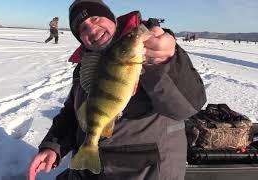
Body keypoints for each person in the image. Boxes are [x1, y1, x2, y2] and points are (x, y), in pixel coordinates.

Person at [29, 0, 206, 179]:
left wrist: (165, 62)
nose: (91, 29)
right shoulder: (86, 66)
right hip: (89, 170)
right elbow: (74, 114)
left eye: (96, 18)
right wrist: (53, 147)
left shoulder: (154, 53)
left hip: (143, 171)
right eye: (82, 28)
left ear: (112, 19)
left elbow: (187, 107)